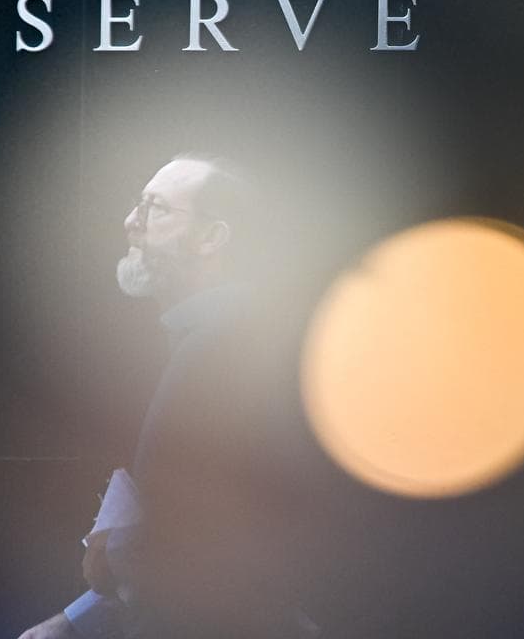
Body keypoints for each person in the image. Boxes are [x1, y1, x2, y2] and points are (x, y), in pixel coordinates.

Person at [17, 153, 316, 639]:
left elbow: (183, 538)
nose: (131, 223)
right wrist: (74, 621)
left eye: (156, 208)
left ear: (210, 238)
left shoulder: (225, 345)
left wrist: (93, 594)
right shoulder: (210, 338)